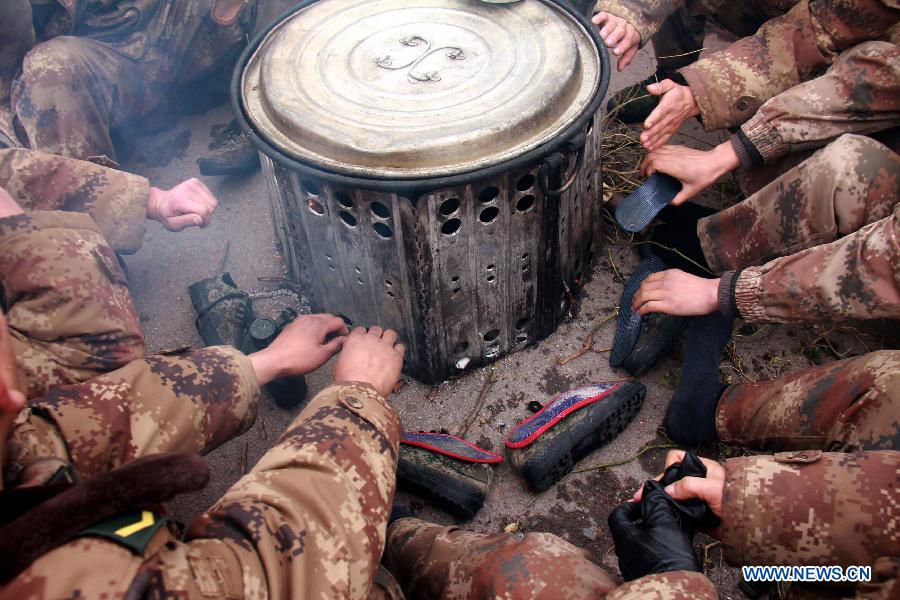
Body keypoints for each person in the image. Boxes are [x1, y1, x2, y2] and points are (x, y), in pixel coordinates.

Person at [593, 0, 899, 152]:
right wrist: (634, 11)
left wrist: (700, 92)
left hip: (855, 39)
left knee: (856, 85)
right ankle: (667, 79)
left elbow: (812, 36)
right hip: (793, 11)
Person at [0, 0, 255, 164]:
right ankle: (89, 238)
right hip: (90, 60)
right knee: (48, 69)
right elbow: (12, 53)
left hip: (167, 18)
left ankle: (269, 128)